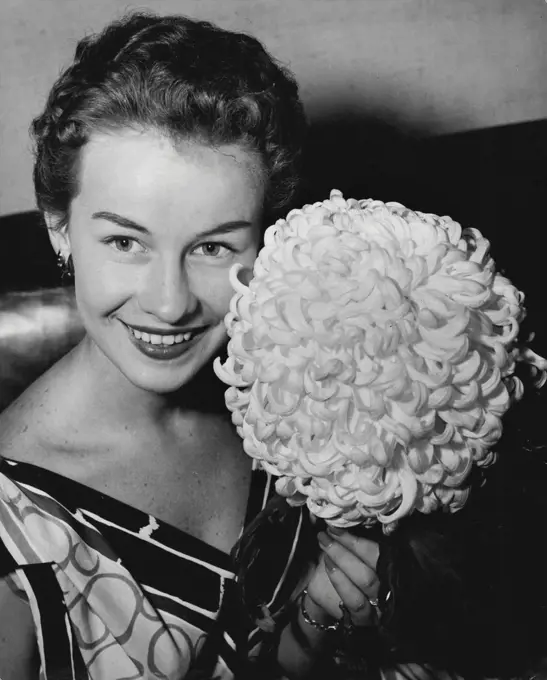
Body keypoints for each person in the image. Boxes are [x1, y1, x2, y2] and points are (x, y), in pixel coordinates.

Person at [0, 11, 383, 680]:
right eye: (126, 241)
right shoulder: (14, 549)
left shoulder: (295, 390)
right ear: (60, 227)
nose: (170, 302)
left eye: (212, 246)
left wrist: (318, 623)